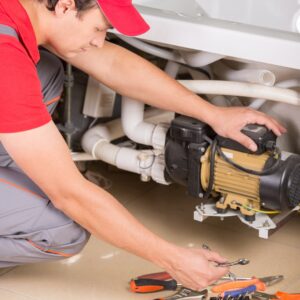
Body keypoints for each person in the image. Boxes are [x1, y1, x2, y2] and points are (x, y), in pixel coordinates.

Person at [0, 0, 285, 291]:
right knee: (64, 229)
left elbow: (111, 62)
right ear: (64, 6)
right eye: (98, 28)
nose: (100, 42)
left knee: (45, 72)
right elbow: (70, 195)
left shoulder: (20, 12)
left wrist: (213, 114)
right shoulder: (6, 59)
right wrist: (173, 259)